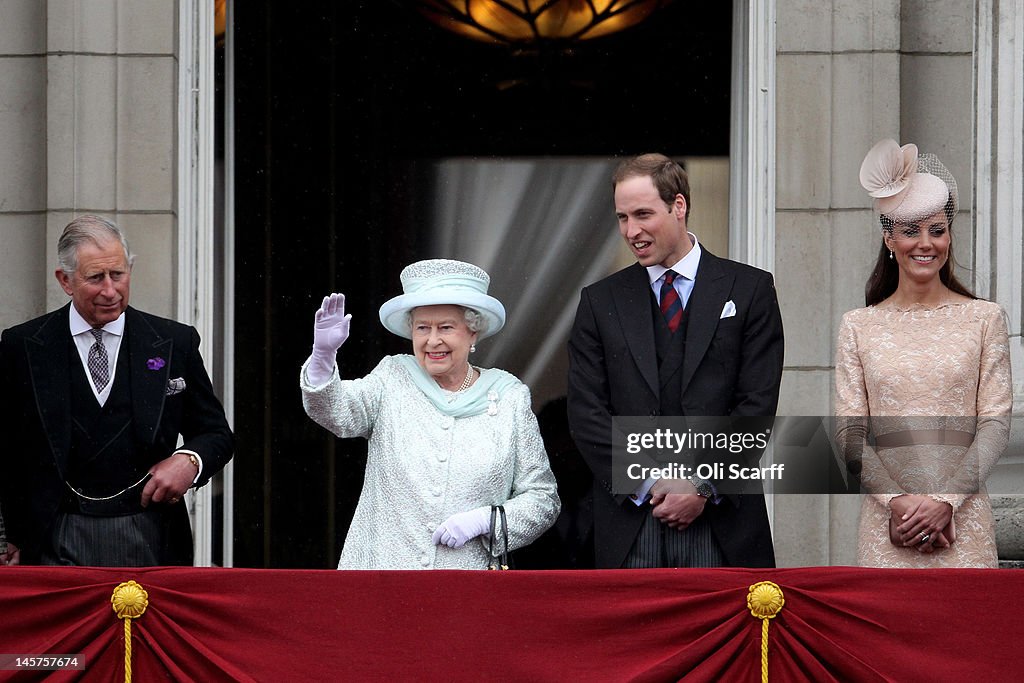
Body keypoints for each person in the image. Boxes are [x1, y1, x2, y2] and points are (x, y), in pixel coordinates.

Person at [567, 153, 783, 569]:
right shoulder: (599, 301)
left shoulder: (750, 288)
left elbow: (756, 405)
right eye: (622, 218)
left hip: (724, 523)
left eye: (643, 214)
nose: (632, 231)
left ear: (678, 206)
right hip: (630, 524)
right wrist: (648, 481)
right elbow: (586, 411)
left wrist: (700, 485)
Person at [0, 215, 234, 566]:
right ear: (65, 280)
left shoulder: (173, 342)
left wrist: (189, 460)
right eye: (95, 278)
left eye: (118, 274)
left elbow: (216, 433)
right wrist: (12, 536)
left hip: (152, 537)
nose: (110, 290)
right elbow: (8, 451)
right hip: (52, 538)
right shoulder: (22, 346)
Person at [300, 259, 560, 569]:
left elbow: (543, 499)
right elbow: (338, 412)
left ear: (473, 333)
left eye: (446, 327)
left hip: (465, 588)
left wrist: (486, 521)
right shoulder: (392, 379)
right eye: (422, 328)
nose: (432, 340)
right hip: (383, 578)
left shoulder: (509, 398)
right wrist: (322, 357)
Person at [835, 139, 1012, 568]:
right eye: (911, 230)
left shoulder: (985, 319)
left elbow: (994, 424)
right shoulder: (859, 325)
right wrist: (897, 503)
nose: (925, 243)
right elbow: (849, 435)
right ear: (889, 238)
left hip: (964, 525)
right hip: (886, 527)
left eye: (936, 229)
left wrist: (946, 503)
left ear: (949, 235)